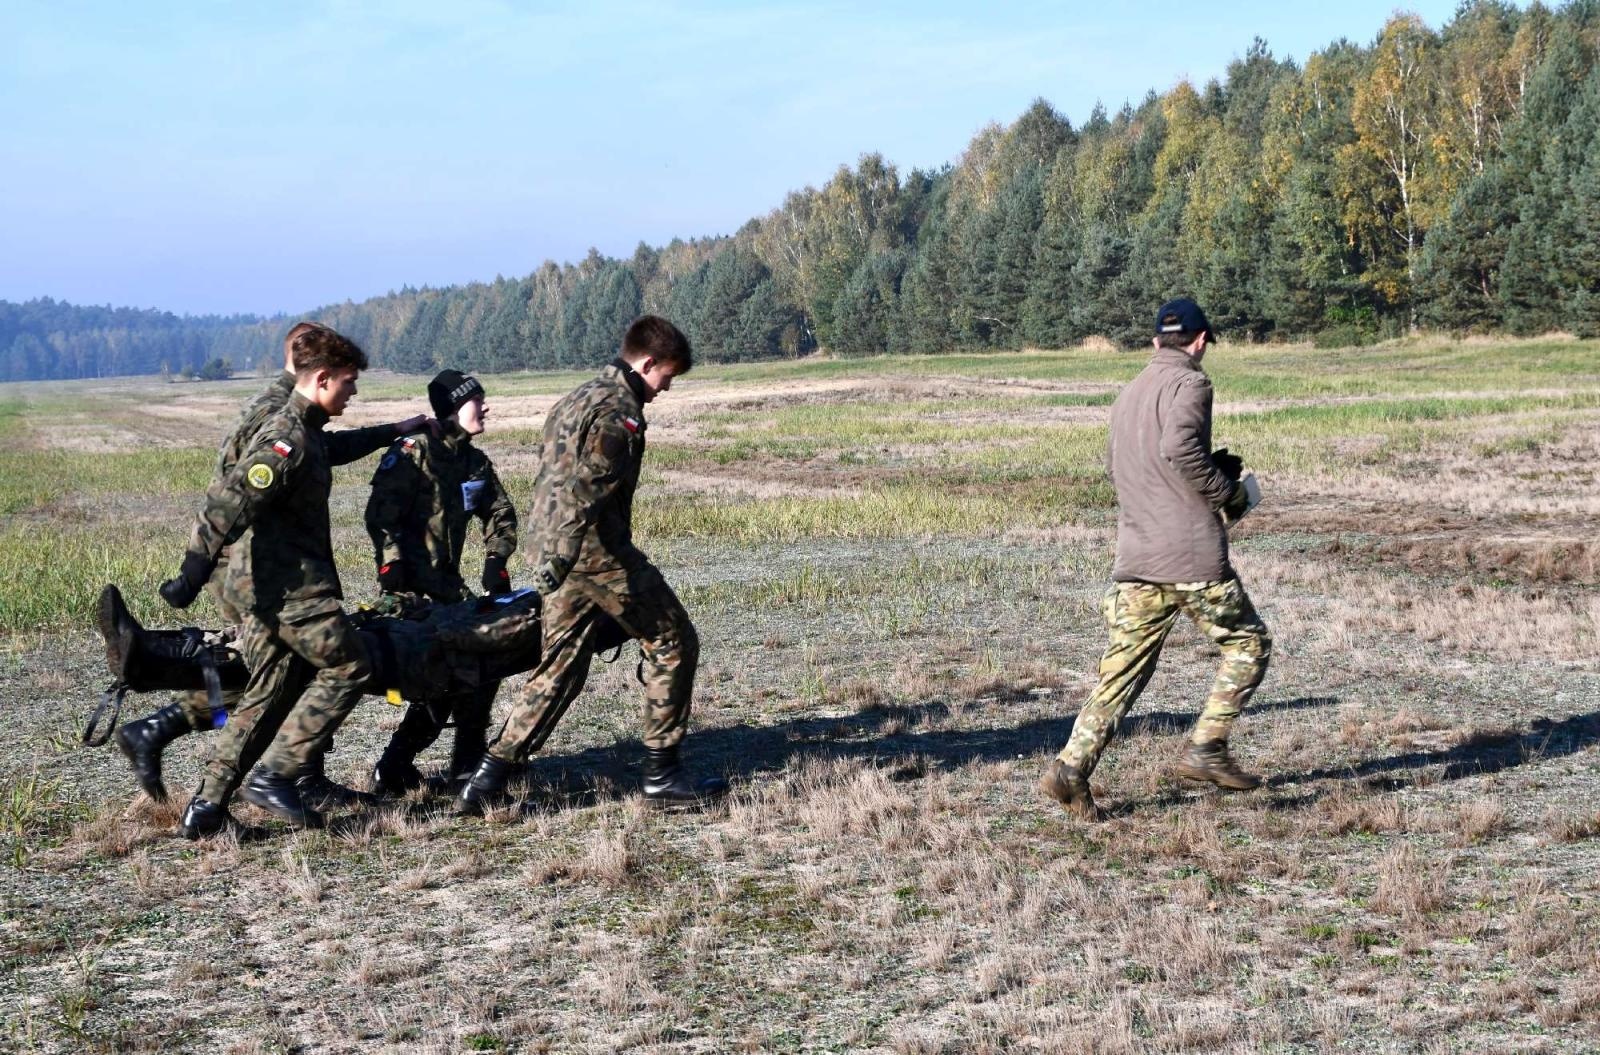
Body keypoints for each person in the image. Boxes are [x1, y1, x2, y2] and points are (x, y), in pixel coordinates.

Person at [157, 325, 433, 838]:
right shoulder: (285, 435)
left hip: (277, 589)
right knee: (351, 665)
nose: (353, 393)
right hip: (290, 591)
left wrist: (393, 429)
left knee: (268, 694)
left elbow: (331, 451)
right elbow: (231, 497)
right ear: (322, 378)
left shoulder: (306, 432)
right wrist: (192, 573)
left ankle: (207, 810)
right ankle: (277, 774)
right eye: (349, 383)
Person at [455, 315, 726, 814]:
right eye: (667, 375)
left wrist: (550, 555)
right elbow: (588, 487)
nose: (666, 387)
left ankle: (486, 781)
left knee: (558, 668)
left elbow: (549, 479)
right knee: (672, 640)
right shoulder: (619, 412)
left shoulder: (576, 397)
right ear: (646, 363)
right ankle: (661, 774)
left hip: (556, 550)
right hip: (594, 553)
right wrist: (565, 553)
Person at [1040, 298, 1272, 821]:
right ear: (1200, 341)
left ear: (1154, 342)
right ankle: (1206, 748)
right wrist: (1225, 491)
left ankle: (1070, 769)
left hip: (1137, 554)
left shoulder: (1129, 394)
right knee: (1249, 644)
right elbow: (1179, 448)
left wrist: (1199, 470)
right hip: (1188, 554)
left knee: (1122, 672)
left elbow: (1135, 463)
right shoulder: (1193, 384)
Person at [365, 369, 518, 794]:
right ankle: (396, 763)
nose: (485, 407)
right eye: (477, 401)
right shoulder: (414, 452)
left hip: (449, 589)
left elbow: (500, 513)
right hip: (409, 591)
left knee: (481, 668)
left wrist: (496, 561)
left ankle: (465, 764)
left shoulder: (472, 460)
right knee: (436, 677)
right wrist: (391, 568)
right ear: (453, 407)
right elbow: (381, 516)